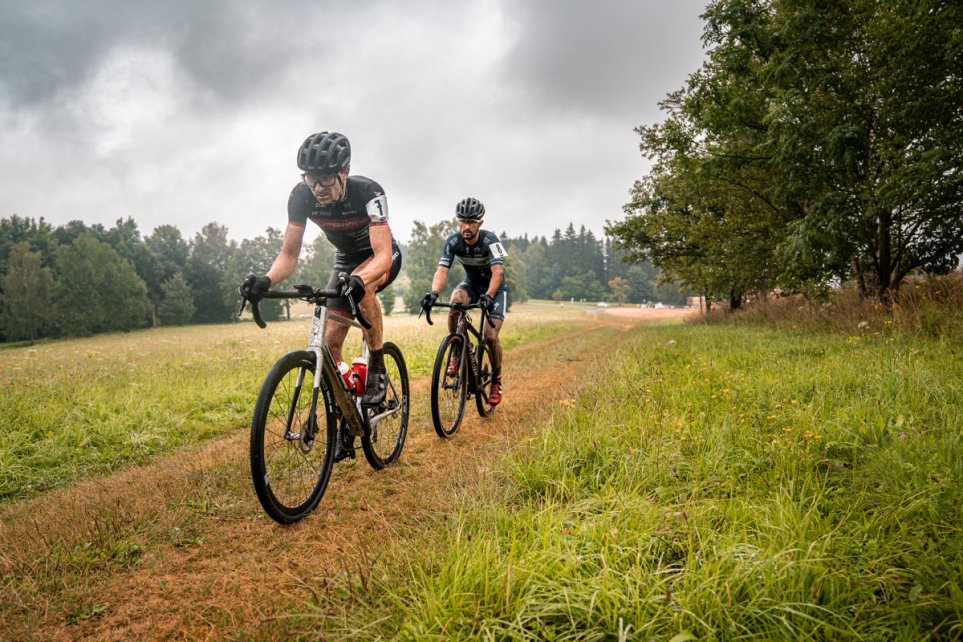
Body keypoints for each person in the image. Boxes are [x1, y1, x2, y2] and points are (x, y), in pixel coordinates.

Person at [240, 131, 402, 461]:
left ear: (344, 172)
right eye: (312, 179)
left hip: (379, 256)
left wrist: (362, 278)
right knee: (329, 344)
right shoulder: (301, 197)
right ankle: (346, 420)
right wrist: (266, 281)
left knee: (363, 284)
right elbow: (289, 254)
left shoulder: (369, 192)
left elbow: (383, 255)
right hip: (344, 261)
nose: (318, 188)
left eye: (326, 179)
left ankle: (378, 368)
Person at [421, 197, 507, 405]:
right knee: (455, 301)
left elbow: (498, 272)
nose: (466, 226)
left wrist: (488, 295)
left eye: (471, 222)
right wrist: (433, 293)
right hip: (471, 284)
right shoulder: (452, 242)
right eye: (463, 221)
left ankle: (496, 380)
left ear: (480, 224)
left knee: (490, 336)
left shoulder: (491, 241)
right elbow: (442, 271)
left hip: (493, 289)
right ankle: (456, 349)